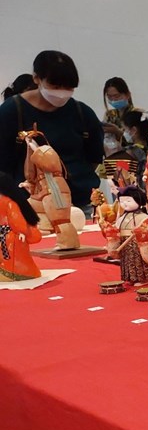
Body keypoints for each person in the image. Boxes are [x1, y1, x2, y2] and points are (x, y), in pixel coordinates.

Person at [0, 50, 104, 214]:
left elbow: (94, 158)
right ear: (36, 78)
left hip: (80, 205)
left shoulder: (82, 113)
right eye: (55, 87)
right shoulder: (11, 112)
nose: (61, 93)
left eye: (69, 87)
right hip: (30, 208)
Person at [0, 171, 42, 281]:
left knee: (11, 254)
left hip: (10, 234)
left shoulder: (9, 202)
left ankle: (13, 273)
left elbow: (15, 217)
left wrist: (21, 231)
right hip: (4, 232)